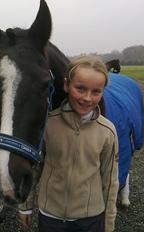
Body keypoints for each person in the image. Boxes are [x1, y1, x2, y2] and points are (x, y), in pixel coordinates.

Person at [18, 56, 119, 232]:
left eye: (96, 92)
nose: (87, 98)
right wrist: (25, 205)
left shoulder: (107, 131)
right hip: (51, 216)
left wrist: (108, 223)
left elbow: (110, 180)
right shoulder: (48, 124)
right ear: (66, 85)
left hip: (90, 218)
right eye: (80, 88)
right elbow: (34, 168)